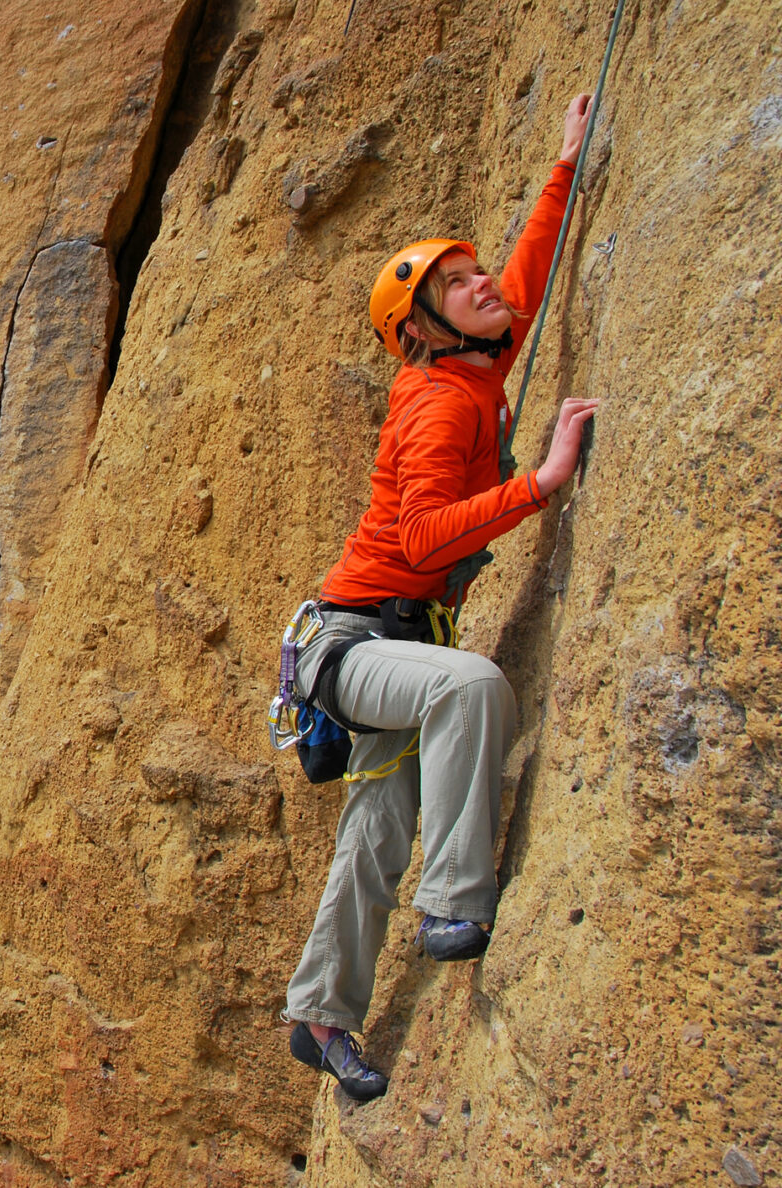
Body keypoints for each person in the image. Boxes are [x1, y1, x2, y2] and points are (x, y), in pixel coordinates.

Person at [281, 93, 601, 1101]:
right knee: (470, 687)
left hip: (386, 640)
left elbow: (526, 278)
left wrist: (565, 163)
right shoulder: (433, 401)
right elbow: (421, 537)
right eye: (457, 285)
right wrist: (540, 483)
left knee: (376, 831)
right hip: (350, 646)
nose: (481, 286)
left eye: (472, 273)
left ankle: (320, 1013)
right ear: (422, 328)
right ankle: (456, 902)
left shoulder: (479, 365)